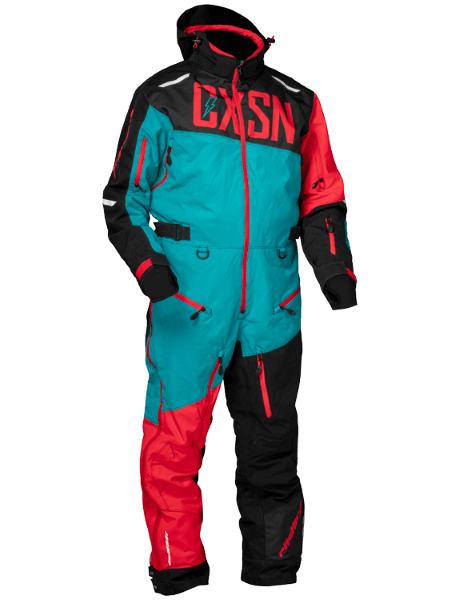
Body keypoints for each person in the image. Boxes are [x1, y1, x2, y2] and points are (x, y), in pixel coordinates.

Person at [102, 4, 357, 596]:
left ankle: (273, 571)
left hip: (273, 304)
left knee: (272, 447)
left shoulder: (297, 101)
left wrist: (334, 268)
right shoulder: (164, 94)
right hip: (188, 302)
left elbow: (321, 194)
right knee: (173, 445)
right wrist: (151, 270)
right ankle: (179, 567)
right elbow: (121, 199)